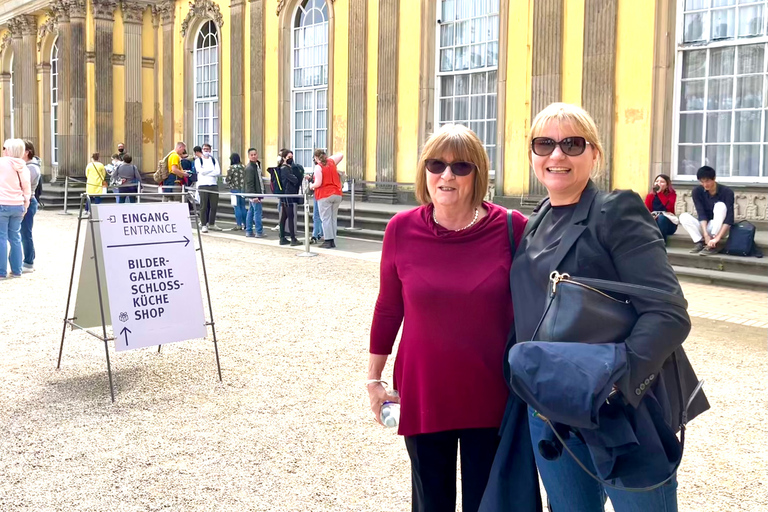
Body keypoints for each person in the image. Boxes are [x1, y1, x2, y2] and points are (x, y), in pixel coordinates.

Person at [503, 102, 697, 512]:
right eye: (545, 144)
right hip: (549, 414)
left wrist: (614, 386)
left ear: (595, 153)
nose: (557, 155)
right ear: (532, 154)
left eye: (573, 144)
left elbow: (668, 313)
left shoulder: (615, 212)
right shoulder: (535, 220)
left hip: (617, 415)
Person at [367, 125, 537, 512]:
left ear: (477, 173)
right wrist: (374, 379)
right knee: (431, 501)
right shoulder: (401, 229)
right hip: (425, 388)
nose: (446, 175)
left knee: (488, 501)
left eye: (460, 166)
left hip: (492, 390)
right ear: (424, 172)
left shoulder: (512, 228)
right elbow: (389, 307)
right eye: (436, 164)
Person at [678, 166, 734, 256]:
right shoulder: (697, 191)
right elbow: (701, 213)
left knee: (720, 206)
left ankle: (713, 244)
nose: (705, 184)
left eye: (707, 181)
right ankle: (700, 242)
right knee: (683, 216)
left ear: (714, 178)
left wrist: (717, 238)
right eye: (702, 181)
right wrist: (705, 234)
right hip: (706, 226)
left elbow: (729, 218)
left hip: (720, 228)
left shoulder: (727, 192)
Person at [0, 139, 30, 279]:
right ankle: (17, 270)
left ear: (9, 150)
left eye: (5, 147)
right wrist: (25, 207)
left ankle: (1, 271)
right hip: (18, 205)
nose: (3, 150)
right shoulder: (24, 166)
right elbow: (27, 190)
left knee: (1, 238)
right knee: (15, 238)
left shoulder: (2, 163)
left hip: (2, 203)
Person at [308, 149, 343, 249]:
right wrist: (328, 158)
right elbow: (340, 154)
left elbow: (318, 183)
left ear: (316, 157)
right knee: (333, 218)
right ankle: (333, 240)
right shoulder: (332, 162)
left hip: (325, 194)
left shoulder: (318, 167)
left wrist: (311, 186)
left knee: (325, 219)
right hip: (337, 193)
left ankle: (328, 240)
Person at [20, 140, 40, 272]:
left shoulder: (31, 168)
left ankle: (29, 261)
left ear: (27, 152)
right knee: (24, 232)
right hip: (27, 200)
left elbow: (23, 186)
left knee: (25, 233)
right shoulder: (28, 166)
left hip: (29, 200)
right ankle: (29, 259)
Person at [277, 149, 303, 246]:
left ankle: (282, 237)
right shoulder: (285, 168)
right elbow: (294, 179)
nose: (291, 159)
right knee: (290, 216)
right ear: (284, 158)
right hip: (287, 194)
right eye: (289, 157)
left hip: (286, 194)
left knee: (284, 216)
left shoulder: (285, 168)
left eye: (291, 157)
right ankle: (292, 238)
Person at [644, 174, 678, 243]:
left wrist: (659, 193)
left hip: (669, 223)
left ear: (667, 185)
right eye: (657, 181)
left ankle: (661, 242)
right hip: (655, 222)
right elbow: (646, 211)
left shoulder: (672, 195)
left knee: (661, 218)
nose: (658, 183)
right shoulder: (650, 196)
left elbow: (669, 206)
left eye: (662, 182)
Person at [195, 143, 221, 233]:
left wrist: (207, 172)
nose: (206, 150)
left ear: (210, 150)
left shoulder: (214, 160)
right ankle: (203, 224)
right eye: (204, 149)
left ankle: (212, 223)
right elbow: (200, 171)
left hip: (213, 185)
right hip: (203, 185)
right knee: (204, 206)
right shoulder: (198, 160)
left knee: (213, 206)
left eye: (207, 149)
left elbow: (217, 172)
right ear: (202, 150)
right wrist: (210, 171)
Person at [244, 147, 265, 238]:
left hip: (256, 192)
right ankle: (258, 231)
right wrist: (253, 196)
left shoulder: (256, 165)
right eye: (251, 155)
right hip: (254, 193)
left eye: (255, 154)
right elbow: (249, 183)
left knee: (251, 211)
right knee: (257, 212)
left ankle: (249, 230)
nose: (253, 156)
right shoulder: (250, 168)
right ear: (248, 156)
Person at [226, 153, 246, 230]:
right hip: (243, 189)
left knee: (237, 207)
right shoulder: (243, 166)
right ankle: (246, 224)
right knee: (243, 207)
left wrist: (229, 184)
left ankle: (239, 224)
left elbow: (228, 179)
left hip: (234, 189)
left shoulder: (231, 168)